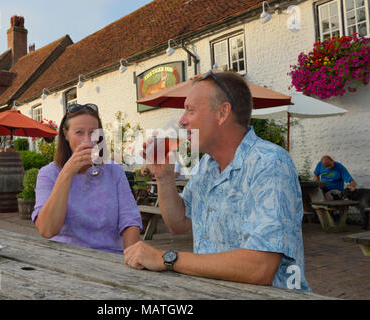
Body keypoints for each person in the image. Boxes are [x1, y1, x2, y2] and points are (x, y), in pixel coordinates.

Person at [124, 70, 311, 292]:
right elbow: (179, 224)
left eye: (190, 110)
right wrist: (164, 178)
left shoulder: (269, 163)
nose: (182, 121)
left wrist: (167, 258)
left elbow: (260, 267)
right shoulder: (206, 165)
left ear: (222, 113)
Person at [32, 103, 142, 254]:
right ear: (65, 134)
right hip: (66, 257)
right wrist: (67, 173)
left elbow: (130, 221)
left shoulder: (114, 172)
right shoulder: (48, 173)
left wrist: (131, 256)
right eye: (79, 132)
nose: (88, 140)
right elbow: (47, 230)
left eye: (93, 133)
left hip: (111, 257)